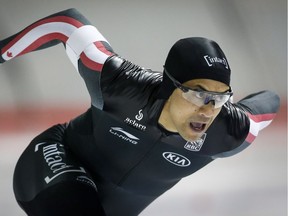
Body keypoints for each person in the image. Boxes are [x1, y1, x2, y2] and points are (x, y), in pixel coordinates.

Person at [0, 8, 280, 216]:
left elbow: (267, 103)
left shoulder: (228, 131)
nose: (208, 110)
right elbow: (68, 25)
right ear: (170, 87)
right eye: (198, 94)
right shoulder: (123, 86)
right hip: (53, 164)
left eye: (218, 99)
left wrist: (233, 106)